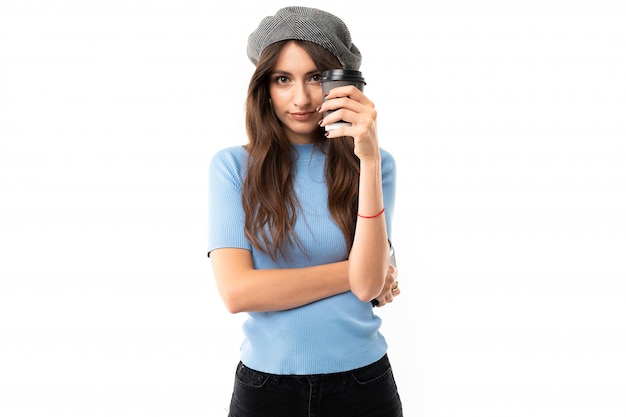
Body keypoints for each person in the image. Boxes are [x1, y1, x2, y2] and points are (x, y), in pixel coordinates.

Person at [207, 6, 403, 416]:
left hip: (363, 384)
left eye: (316, 77)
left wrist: (365, 157)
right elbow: (237, 292)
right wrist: (359, 272)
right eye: (283, 79)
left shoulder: (376, 164)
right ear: (265, 87)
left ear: (341, 83)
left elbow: (368, 288)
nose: (301, 98)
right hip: (266, 388)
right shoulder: (232, 167)